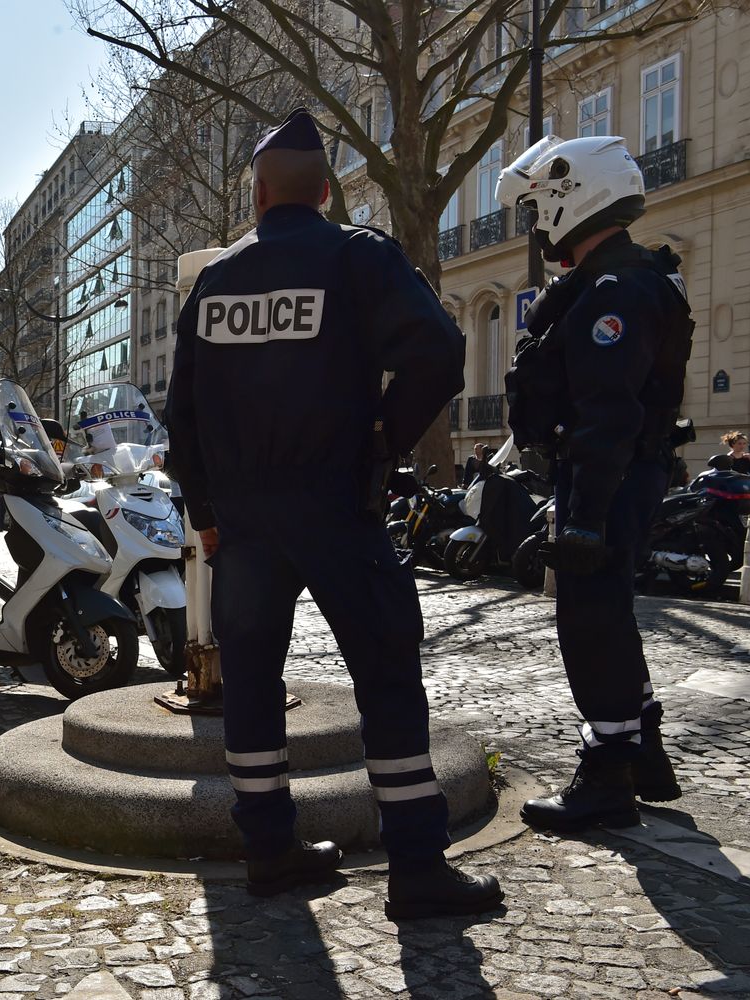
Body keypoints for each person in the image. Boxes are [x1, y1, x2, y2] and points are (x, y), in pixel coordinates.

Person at [164, 107, 502, 917]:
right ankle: (416, 867)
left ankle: (269, 850)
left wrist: (207, 509)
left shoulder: (214, 282)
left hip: (243, 521)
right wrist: (384, 437)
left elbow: (180, 413)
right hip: (336, 504)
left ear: (255, 195)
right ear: (326, 191)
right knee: (385, 676)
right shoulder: (357, 258)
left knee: (249, 685)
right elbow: (439, 354)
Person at [496, 134, 694, 831]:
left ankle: (607, 775)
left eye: (536, 207)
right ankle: (642, 751)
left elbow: (609, 407)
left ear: (569, 196)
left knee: (590, 620)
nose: (533, 223)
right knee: (605, 614)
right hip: (605, 473)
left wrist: (585, 513)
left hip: (605, 477)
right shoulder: (611, 279)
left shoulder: (619, 287)